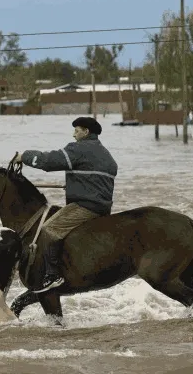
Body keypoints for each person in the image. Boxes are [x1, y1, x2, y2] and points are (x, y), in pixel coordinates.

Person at [12, 116, 118, 293]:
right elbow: (95, 181)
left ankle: (53, 275)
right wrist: (74, 185)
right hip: (103, 207)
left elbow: (49, 161)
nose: (74, 134)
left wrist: (24, 156)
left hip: (85, 207)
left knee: (49, 229)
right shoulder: (107, 155)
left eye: (77, 131)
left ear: (86, 132)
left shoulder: (78, 149)